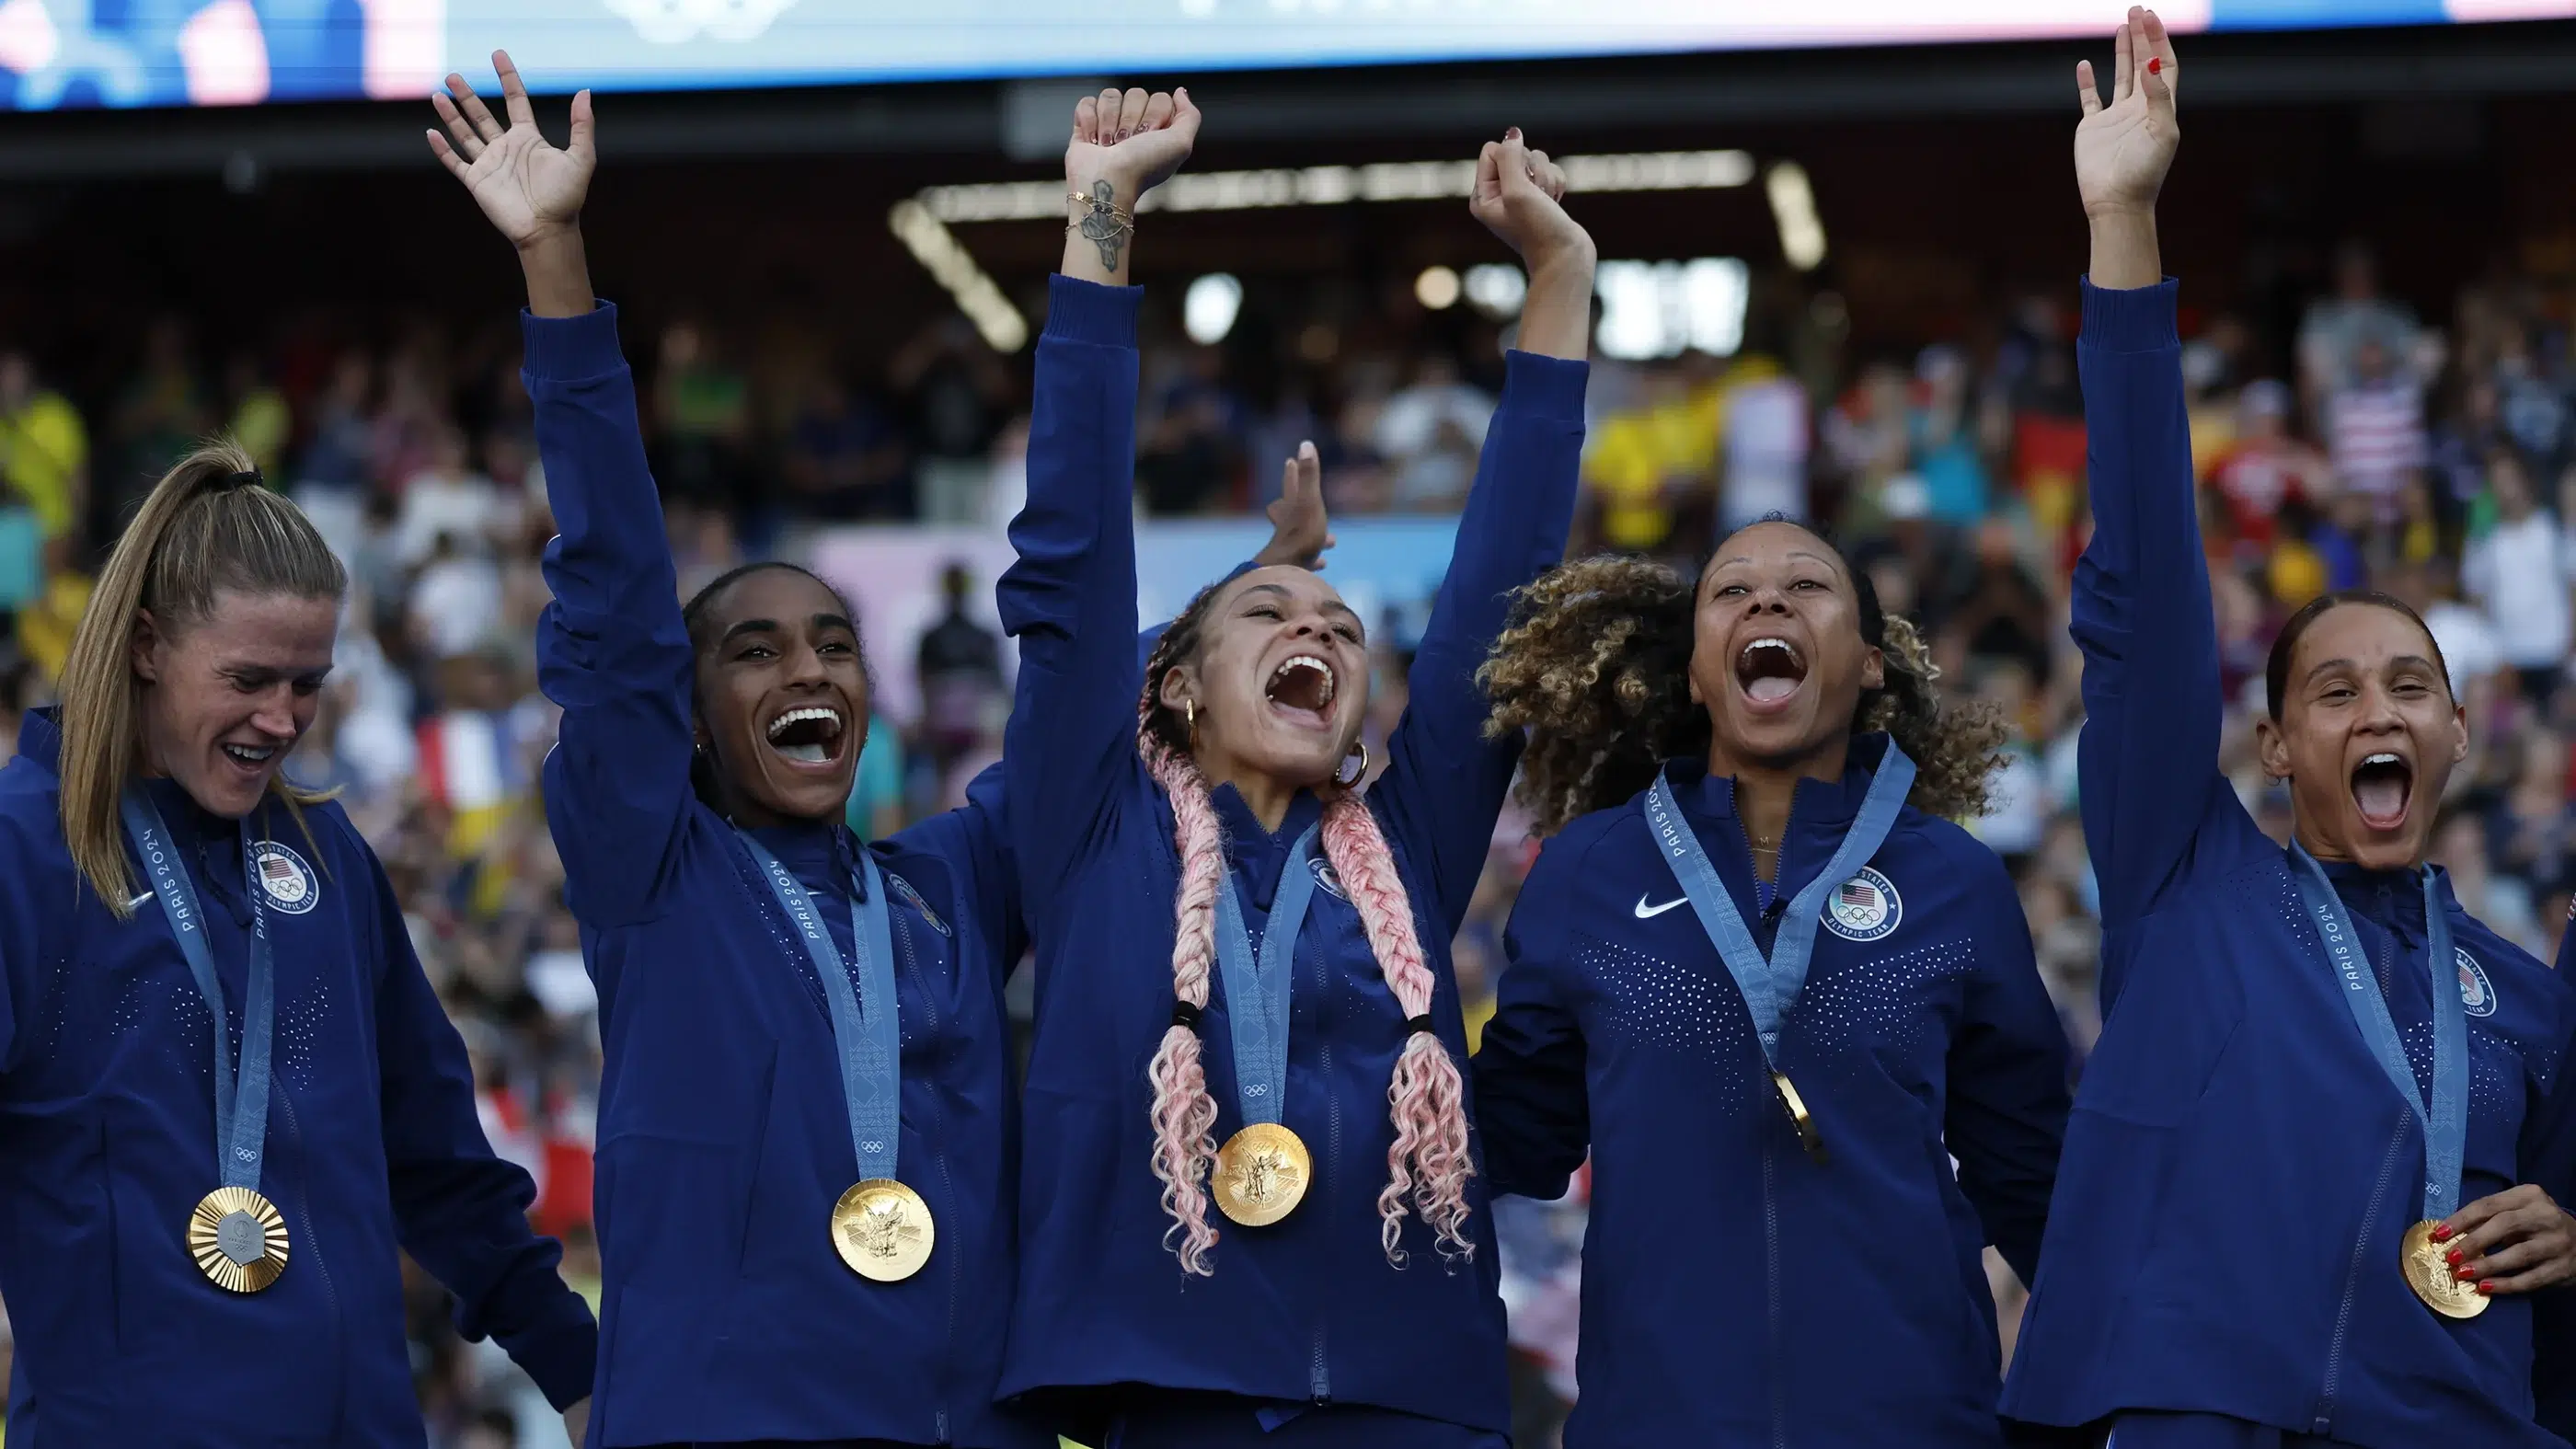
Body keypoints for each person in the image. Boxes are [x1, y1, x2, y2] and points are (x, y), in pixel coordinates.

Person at [427, 57, 1331, 1449]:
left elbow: (1078, 658)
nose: (807, 668)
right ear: (687, 715)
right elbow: (613, 604)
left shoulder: (950, 887)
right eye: (757, 650)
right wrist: (554, 258)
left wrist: (1101, 236)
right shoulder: (652, 869)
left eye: (836, 645)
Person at [1999, 14, 2576, 1449]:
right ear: (2271, 746)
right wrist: (2124, 225)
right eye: (2331, 689)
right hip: (2195, 1413)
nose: (2376, 707)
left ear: (2458, 729)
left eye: (2407, 686)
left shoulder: (2529, 996)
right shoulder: (2180, 876)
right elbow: (2140, 592)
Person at [995, 89, 1595, 1449]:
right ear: (1174, 684)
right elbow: (1073, 559)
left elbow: (1503, 601)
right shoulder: (1090, 827)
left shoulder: (1407, 842)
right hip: (1172, 1393)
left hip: (1411, 1397)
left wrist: (1560, 282)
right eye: (1268, 617)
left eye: (1337, 624)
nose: (1317, 627)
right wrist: (1103, 212)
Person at [0, 435, 597, 1444]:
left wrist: (581, 1376)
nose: (281, 721)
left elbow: (438, 1157)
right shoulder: (26, 856)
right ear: (147, 646)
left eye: (308, 684)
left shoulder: (323, 859)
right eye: (249, 679)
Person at [1472, 529, 2069, 1443]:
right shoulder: (1587, 869)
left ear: (1870, 665)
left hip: (1912, 1422)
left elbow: (2031, 1176)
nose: (1767, 601)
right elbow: (1509, 1136)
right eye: (1730, 590)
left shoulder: (1956, 879)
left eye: (1807, 584)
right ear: (1696, 676)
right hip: (1660, 1423)